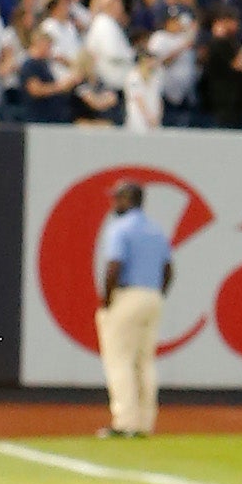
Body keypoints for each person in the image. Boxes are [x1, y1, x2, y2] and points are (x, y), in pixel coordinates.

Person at [93, 178, 176, 439]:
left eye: (118, 197)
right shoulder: (155, 229)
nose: (114, 202)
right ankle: (144, 422)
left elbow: (114, 266)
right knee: (144, 362)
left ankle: (125, 422)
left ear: (129, 200)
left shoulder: (120, 228)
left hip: (127, 295)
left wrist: (107, 299)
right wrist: (158, 294)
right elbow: (168, 270)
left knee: (120, 360)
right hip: (152, 296)